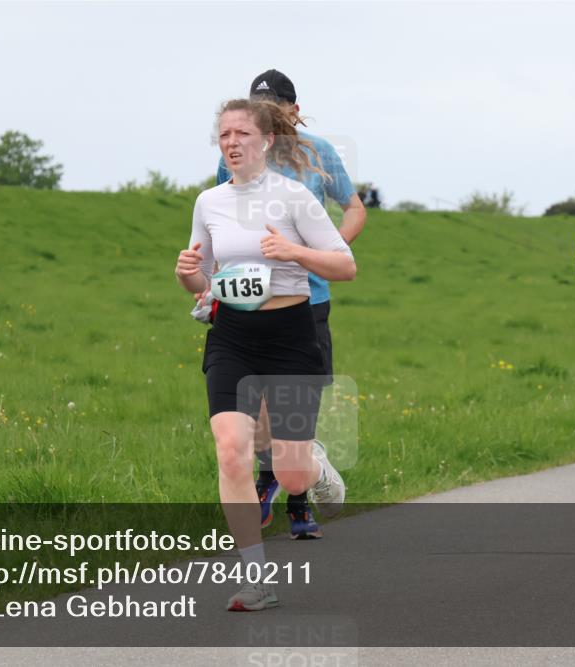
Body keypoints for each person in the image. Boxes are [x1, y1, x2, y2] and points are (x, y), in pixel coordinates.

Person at [176, 98, 356, 610]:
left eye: (242, 134)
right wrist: (187, 272)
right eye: (224, 135)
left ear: (266, 140)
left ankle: (315, 471)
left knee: (291, 471)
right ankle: (255, 580)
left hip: (290, 336)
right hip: (232, 333)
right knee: (230, 449)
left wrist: (294, 253)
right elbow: (202, 280)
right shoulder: (207, 203)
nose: (232, 143)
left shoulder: (294, 197)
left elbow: (345, 267)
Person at [213, 69, 366, 540]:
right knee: (252, 412)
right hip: (246, 307)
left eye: (276, 110)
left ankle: (298, 501)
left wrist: (325, 251)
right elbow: (222, 221)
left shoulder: (318, 153)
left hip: (307, 301)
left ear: (294, 112)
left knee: (294, 415)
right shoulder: (236, 159)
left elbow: (355, 207)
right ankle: (268, 482)